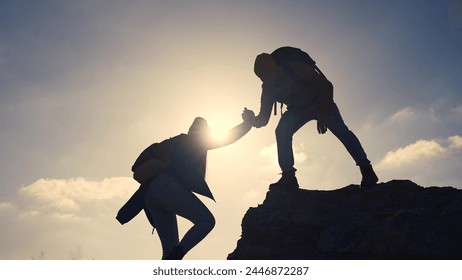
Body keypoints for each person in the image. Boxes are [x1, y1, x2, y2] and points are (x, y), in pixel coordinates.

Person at [117, 109, 255, 260]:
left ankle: (173, 258)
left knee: (168, 251)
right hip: (166, 186)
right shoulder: (195, 141)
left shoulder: (175, 142)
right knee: (207, 221)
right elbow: (228, 137)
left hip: (149, 194)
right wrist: (248, 123)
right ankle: (178, 254)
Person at [251, 46, 378, 189]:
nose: (264, 79)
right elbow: (263, 119)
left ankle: (366, 169)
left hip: (320, 102)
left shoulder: (295, 68)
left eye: (266, 75)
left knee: (342, 131)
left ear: (275, 69)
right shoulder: (268, 89)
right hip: (297, 110)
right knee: (281, 131)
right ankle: (288, 176)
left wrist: (324, 114)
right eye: (261, 77)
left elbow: (326, 86)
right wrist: (252, 120)